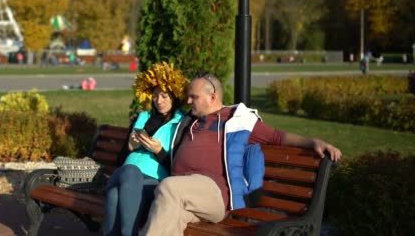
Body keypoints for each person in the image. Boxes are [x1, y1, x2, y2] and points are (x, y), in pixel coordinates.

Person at [140, 73, 342, 235]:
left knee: (168, 187)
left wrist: (314, 142)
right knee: (171, 216)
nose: (188, 100)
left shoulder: (237, 121)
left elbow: (277, 137)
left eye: (194, 97)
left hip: (213, 195)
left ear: (212, 97)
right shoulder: (190, 122)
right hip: (185, 196)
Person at [104, 62, 188, 236]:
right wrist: (129, 147)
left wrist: (159, 151)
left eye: (164, 96)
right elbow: (120, 160)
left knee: (114, 195)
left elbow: (178, 167)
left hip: (153, 181)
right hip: (126, 173)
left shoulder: (181, 124)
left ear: (174, 97)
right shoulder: (144, 116)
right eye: (156, 96)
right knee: (130, 171)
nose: (159, 101)